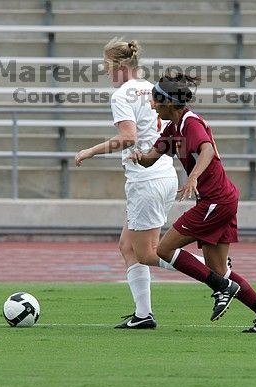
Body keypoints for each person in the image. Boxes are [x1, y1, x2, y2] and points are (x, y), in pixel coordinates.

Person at [133, 72, 256, 333]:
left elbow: (207, 150)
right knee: (218, 270)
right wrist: (137, 156)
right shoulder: (174, 128)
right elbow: (151, 157)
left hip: (215, 202)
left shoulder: (191, 124)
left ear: (168, 102)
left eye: (156, 100)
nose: (152, 105)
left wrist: (193, 177)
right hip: (221, 200)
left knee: (163, 249)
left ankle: (222, 288)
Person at [74, 38, 180, 329]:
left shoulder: (122, 94)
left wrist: (90, 151)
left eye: (107, 66)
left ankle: (214, 271)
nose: (106, 72)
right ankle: (144, 314)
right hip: (162, 174)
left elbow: (128, 137)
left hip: (146, 179)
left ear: (120, 66)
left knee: (148, 252)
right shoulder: (151, 89)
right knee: (128, 246)